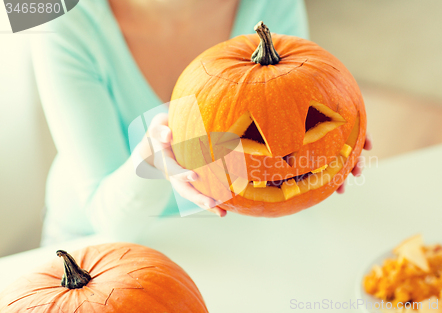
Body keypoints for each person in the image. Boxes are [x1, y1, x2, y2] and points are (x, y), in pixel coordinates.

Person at [31, 0, 372, 246]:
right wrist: (152, 165)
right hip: (98, 238)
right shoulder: (56, 17)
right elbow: (111, 223)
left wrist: (333, 130)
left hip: (238, 227)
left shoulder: (272, 4)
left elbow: (293, 114)